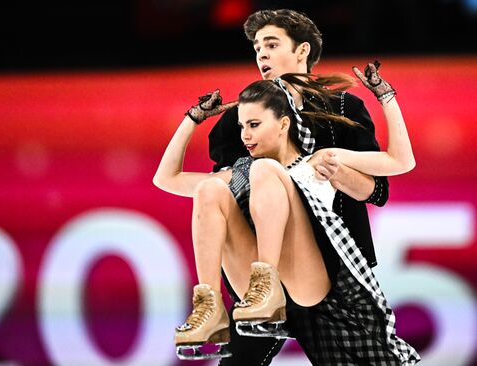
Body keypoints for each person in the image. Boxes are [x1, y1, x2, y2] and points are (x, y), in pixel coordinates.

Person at [153, 62, 420, 364]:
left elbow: (401, 161)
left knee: (265, 169)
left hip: (313, 283)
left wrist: (385, 96)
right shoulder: (240, 171)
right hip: (256, 294)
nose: (245, 136)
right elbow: (166, 179)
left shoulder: (318, 160)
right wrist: (194, 118)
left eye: (254, 125)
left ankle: (268, 286)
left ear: (283, 124)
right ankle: (209, 306)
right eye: (241, 127)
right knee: (209, 190)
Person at [206, 9, 396, 365]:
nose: (260, 53)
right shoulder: (239, 120)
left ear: (302, 50)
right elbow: (224, 189)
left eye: (271, 44)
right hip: (262, 267)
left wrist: (334, 169)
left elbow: (377, 192)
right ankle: (216, 300)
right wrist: (192, 122)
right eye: (257, 47)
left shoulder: (343, 108)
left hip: (330, 271)